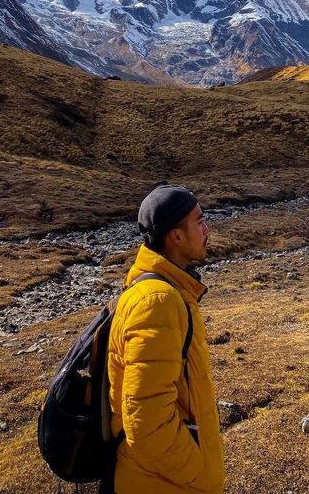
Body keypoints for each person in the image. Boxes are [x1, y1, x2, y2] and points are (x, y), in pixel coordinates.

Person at [107, 184, 225, 494]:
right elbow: (146, 425)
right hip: (162, 483)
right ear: (176, 236)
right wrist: (201, 474)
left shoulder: (165, 290)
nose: (206, 229)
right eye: (199, 221)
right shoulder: (157, 301)